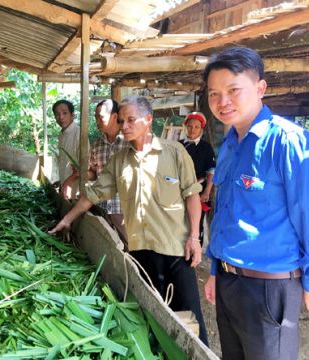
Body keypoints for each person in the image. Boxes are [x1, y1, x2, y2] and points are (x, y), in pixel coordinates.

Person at [50, 96, 209, 345]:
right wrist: (68, 219)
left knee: (191, 325)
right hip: (140, 253)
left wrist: (194, 239)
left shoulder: (174, 152)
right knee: (153, 321)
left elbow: (192, 195)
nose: (124, 126)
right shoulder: (119, 160)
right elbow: (92, 195)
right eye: (122, 120)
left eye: (131, 120)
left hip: (177, 252)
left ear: (148, 120)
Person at [203, 47, 308, 360]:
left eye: (233, 90)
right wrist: (214, 269)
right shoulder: (230, 145)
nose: (222, 102)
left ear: (260, 88)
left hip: (269, 288)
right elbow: (224, 214)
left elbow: (307, 211)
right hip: (227, 281)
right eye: (214, 94)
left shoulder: (287, 141)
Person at [62, 99, 129, 243]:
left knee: (132, 250)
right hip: (103, 208)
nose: (97, 121)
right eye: (95, 117)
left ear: (115, 117)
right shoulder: (97, 145)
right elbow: (94, 174)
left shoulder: (129, 142)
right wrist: (81, 174)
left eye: (101, 117)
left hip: (125, 209)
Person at [179, 112, 216, 246]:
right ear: (185, 127)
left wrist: (206, 191)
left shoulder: (206, 147)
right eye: (190, 126)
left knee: (196, 223)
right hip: (179, 190)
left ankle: (195, 251)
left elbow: (211, 171)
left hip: (198, 190)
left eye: (196, 127)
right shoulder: (178, 146)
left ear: (201, 129)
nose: (192, 129)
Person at [53, 100, 82, 199]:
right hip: (65, 186)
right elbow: (63, 161)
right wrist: (61, 181)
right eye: (57, 114)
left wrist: (68, 182)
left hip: (76, 188)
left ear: (72, 115)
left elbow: (85, 165)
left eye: (64, 113)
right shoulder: (61, 134)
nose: (61, 117)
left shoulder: (79, 133)